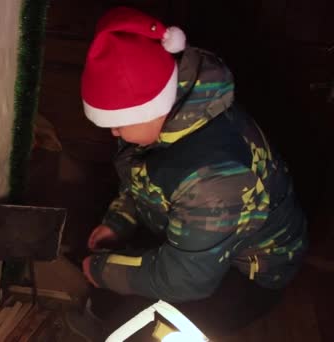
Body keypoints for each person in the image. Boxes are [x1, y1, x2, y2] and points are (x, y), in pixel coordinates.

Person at [77, 6, 309, 337]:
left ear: (152, 109)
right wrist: (119, 222)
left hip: (248, 270)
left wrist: (102, 270)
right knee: (118, 283)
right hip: (198, 236)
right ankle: (104, 316)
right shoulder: (159, 117)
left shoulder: (214, 176)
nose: (112, 133)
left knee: (157, 329)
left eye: (117, 124)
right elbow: (140, 180)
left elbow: (187, 278)